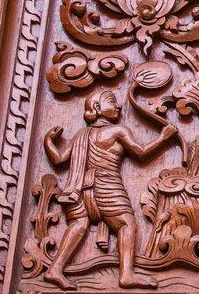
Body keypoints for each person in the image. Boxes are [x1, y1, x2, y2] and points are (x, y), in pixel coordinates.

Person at [43, 90, 177, 289]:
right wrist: (164, 137)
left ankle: (55, 269)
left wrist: (48, 142)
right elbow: (140, 153)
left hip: (79, 189)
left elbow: (59, 159)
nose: (119, 106)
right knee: (127, 225)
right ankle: (126, 275)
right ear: (97, 108)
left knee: (79, 225)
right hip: (107, 185)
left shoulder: (81, 134)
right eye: (112, 102)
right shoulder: (118, 131)